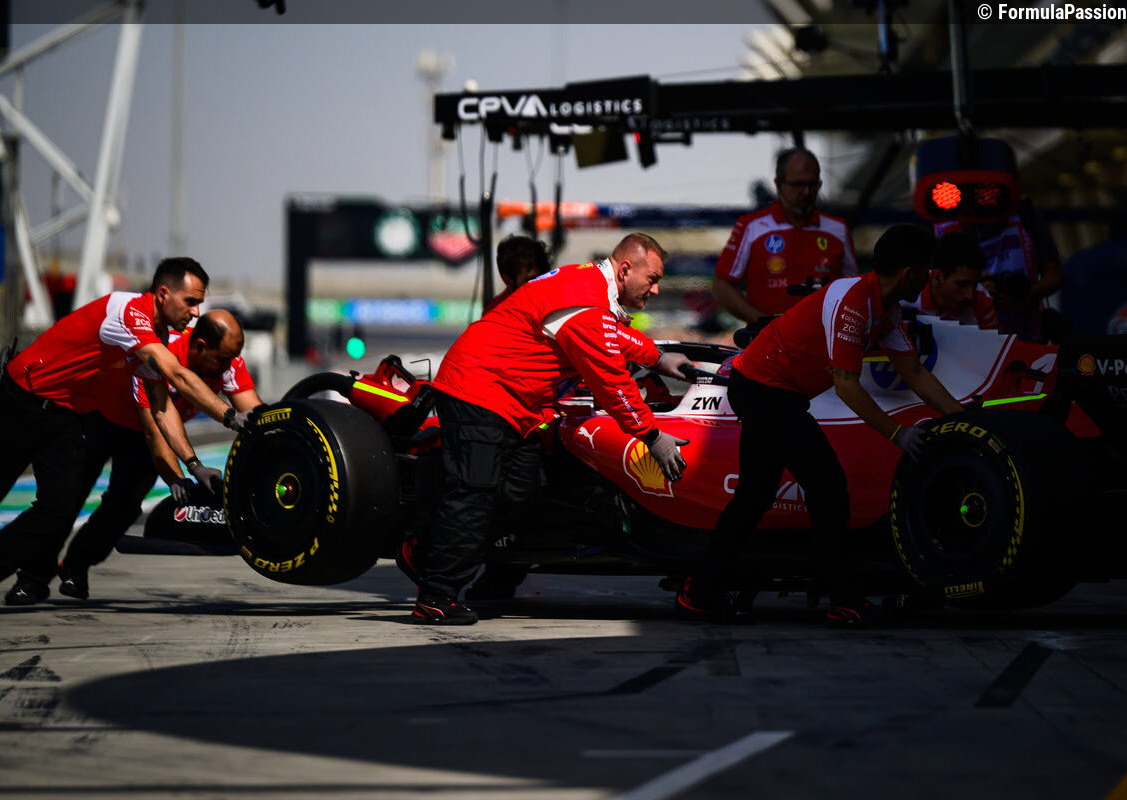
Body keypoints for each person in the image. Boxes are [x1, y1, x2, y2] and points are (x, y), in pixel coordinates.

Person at [0, 258, 251, 615]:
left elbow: (161, 407)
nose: (196, 312)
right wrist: (229, 416)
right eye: (190, 301)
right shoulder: (129, 313)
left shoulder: (154, 337)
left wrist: (194, 466)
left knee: (58, 511)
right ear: (163, 294)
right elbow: (177, 375)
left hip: (64, 416)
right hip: (24, 399)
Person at [400, 233, 693, 624]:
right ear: (625, 270)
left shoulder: (587, 286)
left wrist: (657, 356)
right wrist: (652, 437)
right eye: (652, 279)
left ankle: (427, 549)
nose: (655, 289)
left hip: (513, 405)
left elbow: (612, 333)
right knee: (475, 494)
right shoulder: (584, 299)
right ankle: (435, 595)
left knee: (519, 494)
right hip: (479, 392)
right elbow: (612, 382)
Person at [681, 224, 964, 627]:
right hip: (764, 390)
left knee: (754, 497)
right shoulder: (854, 302)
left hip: (766, 389)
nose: (928, 278)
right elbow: (846, 385)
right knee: (827, 488)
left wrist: (964, 418)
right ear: (909, 274)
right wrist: (898, 434)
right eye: (926, 269)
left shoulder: (886, 308)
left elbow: (914, 372)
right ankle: (845, 599)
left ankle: (700, 593)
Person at [1, 310, 263, 605]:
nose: (229, 366)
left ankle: (76, 564)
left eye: (232, 359)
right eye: (223, 360)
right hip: (99, 418)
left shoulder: (229, 363)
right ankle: (32, 579)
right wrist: (180, 474)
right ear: (200, 347)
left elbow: (257, 418)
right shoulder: (158, 352)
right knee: (66, 500)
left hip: (142, 432)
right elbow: (155, 430)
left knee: (123, 508)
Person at [462, 234, 553, 602]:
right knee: (511, 495)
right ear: (506, 276)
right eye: (524, 275)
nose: (531, 281)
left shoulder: (554, 299)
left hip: (543, 410)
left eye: (536, 274)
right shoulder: (499, 310)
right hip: (513, 415)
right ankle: (500, 573)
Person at [712, 147, 858, 325]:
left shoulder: (838, 229)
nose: (806, 192)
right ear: (778, 184)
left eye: (813, 185)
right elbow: (722, 286)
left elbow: (855, 288)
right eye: (798, 185)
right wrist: (764, 323)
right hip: (767, 340)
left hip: (825, 339)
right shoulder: (752, 226)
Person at [934, 196, 1062, 342]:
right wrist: (976, 293)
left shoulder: (1022, 212)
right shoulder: (942, 218)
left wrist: (1025, 296)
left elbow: (1055, 274)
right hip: (971, 342)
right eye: (963, 284)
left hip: (1028, 339)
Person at [903, 232, 999, 329]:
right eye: (962, 284)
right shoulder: (905, 293)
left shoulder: (982, 299)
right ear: (937, 277)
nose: (970, 295)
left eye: (975, 284)